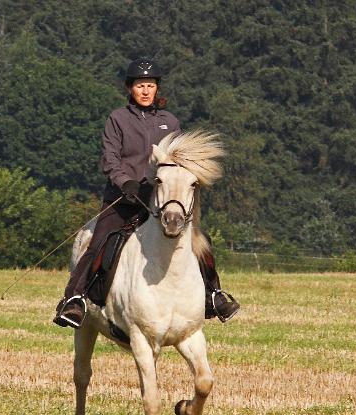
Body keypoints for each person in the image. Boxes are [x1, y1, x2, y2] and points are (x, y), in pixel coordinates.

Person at [53, 58, 240, 328]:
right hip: (123, 199)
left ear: (156, 89)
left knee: (201, 241)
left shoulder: (170, 121)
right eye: (140, 85)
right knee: (100, 241)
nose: (145, 91)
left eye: (150, 85)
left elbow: (179, 160)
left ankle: (213, 295)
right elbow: (110, 158)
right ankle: (74, 300)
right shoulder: (117, 119)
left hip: (162, 199)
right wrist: (125, 181)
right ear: (131, 88)